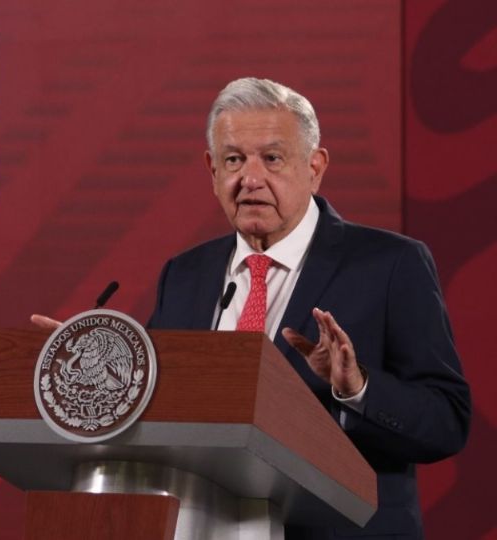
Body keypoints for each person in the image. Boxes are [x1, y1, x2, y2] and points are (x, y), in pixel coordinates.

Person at [32, 77, 470, 539]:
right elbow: (154, 402)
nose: (251, 179)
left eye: (272, 158)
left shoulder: (389, 265)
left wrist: (357, 388)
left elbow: (446, 420)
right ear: (212, 170)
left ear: (315, 166)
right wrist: (86, 372)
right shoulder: (185, 275)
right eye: (234, 160)